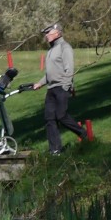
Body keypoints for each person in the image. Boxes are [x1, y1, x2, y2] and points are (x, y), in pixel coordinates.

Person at [30, 23, 86, 155]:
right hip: (51, 89)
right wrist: (40, 83)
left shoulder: (64, 47)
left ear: (57, 33)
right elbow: (50, 73)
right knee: (49, 119)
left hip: (62, 87)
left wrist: (66, 87)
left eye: (48, 32)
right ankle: (55, 150)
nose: (46, 35)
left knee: (61, 116)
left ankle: (83, 133)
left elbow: (69, 69)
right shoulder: (50, 50)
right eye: (46, 33)